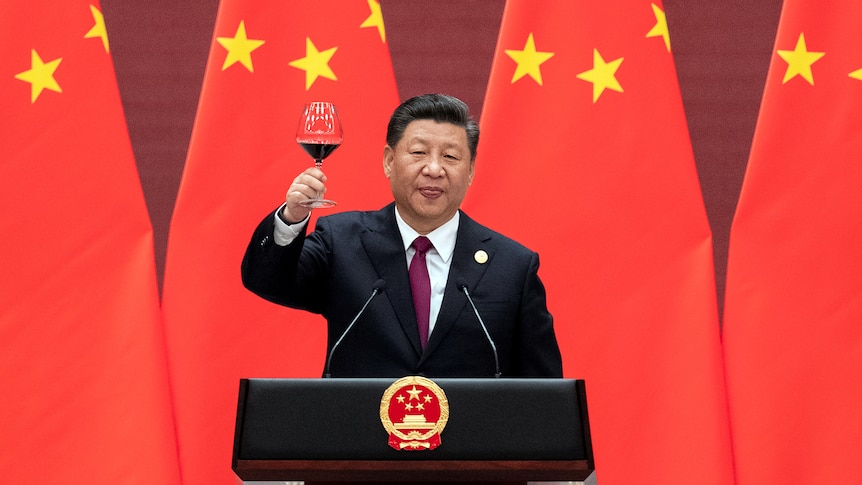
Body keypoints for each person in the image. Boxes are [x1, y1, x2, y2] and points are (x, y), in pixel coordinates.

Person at [241, 94, 562, 378]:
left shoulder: (512, 267)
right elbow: (267, 281)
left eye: (450, 157)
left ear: (471, 170)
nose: (434, 169)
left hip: (472, 444)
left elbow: (542, 392)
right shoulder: (342, 242)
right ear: (389, 161)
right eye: (419, 153)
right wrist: (292, 217)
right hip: (360, 440)